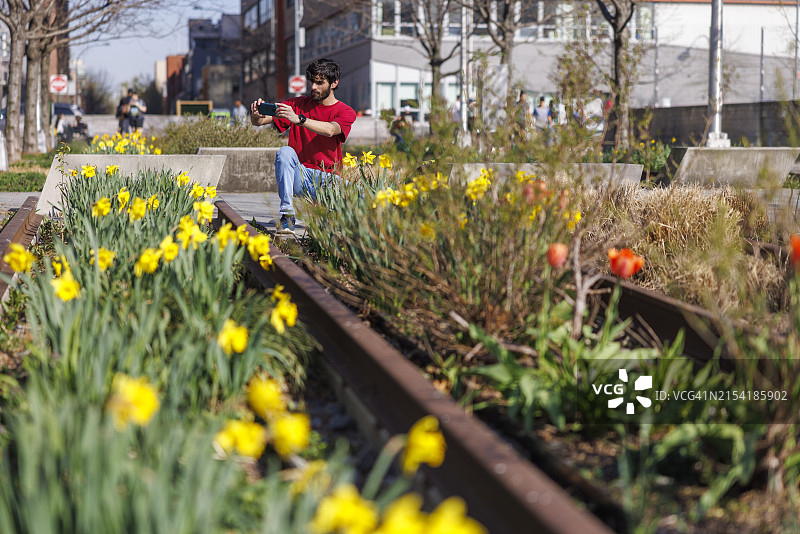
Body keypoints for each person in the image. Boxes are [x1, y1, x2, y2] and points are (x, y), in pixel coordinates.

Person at [250, 57, 357, 233]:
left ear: (334, 83)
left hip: (329, 181)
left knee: (368, 198)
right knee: (285, 152)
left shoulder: (345, 111)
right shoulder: (296, 104)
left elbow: (331, 130)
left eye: (320, 82)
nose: (313, 87)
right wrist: (256, 114)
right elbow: (260, 122)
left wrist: (299, 119)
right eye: (312, 82)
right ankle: (287, 215)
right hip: (301, 176)